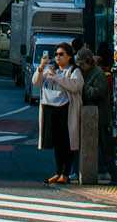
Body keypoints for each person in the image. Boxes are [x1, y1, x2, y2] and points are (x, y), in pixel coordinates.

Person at [34, 41, 83, 184]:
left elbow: (76, 86)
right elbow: (36, 82)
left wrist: (57, 76)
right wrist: (41, 68)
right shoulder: (50, 70)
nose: (57, 57)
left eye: (61, 54)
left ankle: (65, 173)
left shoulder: (74, 71)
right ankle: (58, 171)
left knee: (66, 143)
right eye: (56, 54)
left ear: (69, 56)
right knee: (55, 143)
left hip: (65, 109)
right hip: (49, 108)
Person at [76, 46, 113, 182]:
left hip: (99, 114)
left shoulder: (98, 74)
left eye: (82, 64)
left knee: (99, 144)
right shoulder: (84, 72)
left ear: (88, 62)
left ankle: (103, 169)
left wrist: (84, 86)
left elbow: (98, 92)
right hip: (89, 113)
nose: (81, 66)